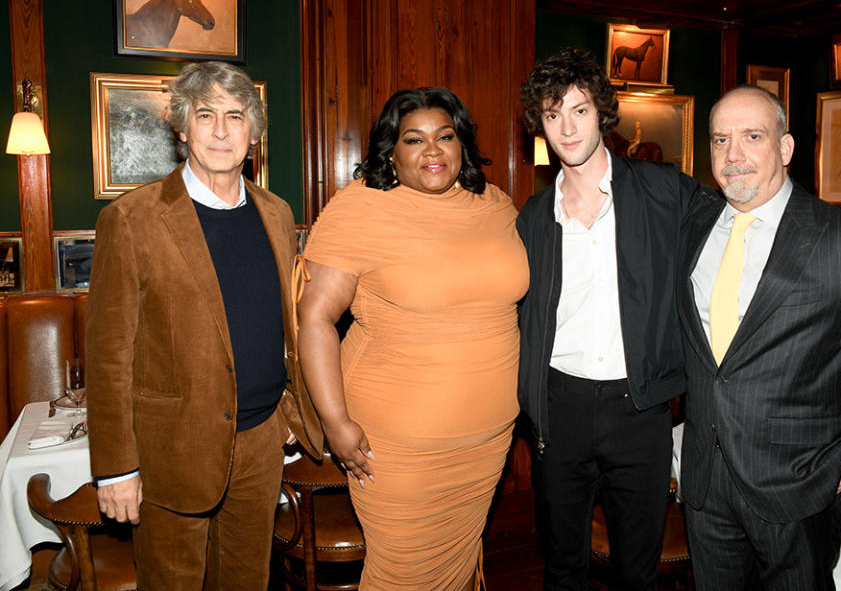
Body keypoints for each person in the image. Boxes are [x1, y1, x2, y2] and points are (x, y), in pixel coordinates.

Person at [516, 48, 841, 591]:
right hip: (559, 405)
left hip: (640, 408)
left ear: (601, 112)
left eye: (579, 109)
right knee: (561, 565)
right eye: (553, 115)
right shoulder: (533, 218)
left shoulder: (664, 190)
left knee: (638, 570)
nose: (567, 127)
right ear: (541, 125)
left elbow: (752, 203)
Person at [677, 85, 841, 590]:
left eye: (752, 136)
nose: (732, 155)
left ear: (785, 148)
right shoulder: (695, 224)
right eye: (719, 140)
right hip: (705, 484)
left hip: (799, 487)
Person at [86, 61, 324, 590]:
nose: (221, 131)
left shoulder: (278, 212)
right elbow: (108, 358)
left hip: (262, 443)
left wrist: (287, 411)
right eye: (205, 114)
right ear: (181, 127)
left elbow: (286, 325)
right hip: (172, 451)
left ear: (253, 133)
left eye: (236, 116)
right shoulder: (132, 220)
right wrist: (116, 468)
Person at [296, 87, 528, 590]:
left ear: (462, 143)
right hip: (398, 447)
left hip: (487, 440)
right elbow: (314, 318)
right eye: (413, 139)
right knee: (402, 575)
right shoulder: (361, 207)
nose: (432, 150)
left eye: (445, 136)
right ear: (391, 151)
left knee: (458, 568)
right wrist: (335, 422)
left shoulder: (495, 205)